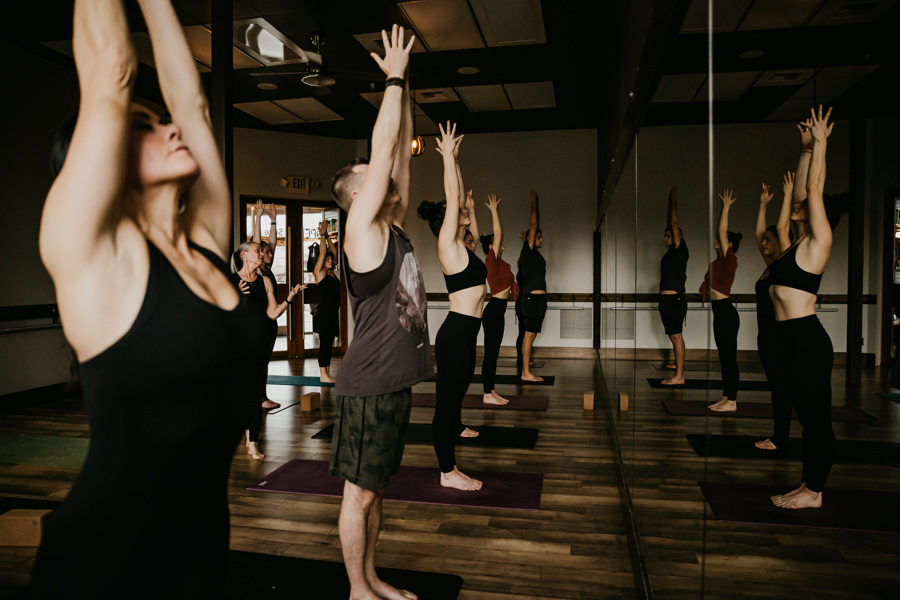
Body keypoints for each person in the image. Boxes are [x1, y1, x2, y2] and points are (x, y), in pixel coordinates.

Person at [30, 0, 269, 594]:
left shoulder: (206, 242)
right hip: (105, 566)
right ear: (102, 159)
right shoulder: (95, 256)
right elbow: (112, 67)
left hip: (201, 554)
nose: (169, 127)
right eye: (142, 126)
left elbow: (190, 106)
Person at [328, 25, 429, 600]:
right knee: (358, 495)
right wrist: (390, 77)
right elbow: (385, 148)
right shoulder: (361, 229)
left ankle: (371, 578)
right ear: (354, 195)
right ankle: (355, 589)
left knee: (377, 492)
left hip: (392, 384)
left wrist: (406, 88)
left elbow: (401, 155)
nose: (382, 173)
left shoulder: (393, 224)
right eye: (369, 175)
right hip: (367, 386)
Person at [769, 106, 837, 510]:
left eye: (806, 204)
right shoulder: (796, 242)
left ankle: (814, 490)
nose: (799, 202)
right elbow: (801, 192)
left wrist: (823, 144)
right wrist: (805, 147)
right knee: (803, 416)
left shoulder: (818, 242)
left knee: (816, 418)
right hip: (787, 338)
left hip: (807, 339)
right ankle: (807, 483)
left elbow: (811, 192)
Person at [418, 122, 487, 491]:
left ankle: (451, 459)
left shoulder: (464, 247)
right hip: (457, 333)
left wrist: (457, 162)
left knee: (455, 398)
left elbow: (459, 198)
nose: (462, 209)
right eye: (457, 210)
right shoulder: (448, 245)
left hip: (465, 333)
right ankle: (448, 472)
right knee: (445, 405)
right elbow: (452, 195)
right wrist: (447, 160)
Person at [231, 241, 304, 459]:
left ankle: (253, 442)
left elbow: (272, 313)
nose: (261, 254)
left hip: (258, 343)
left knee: (254, 393)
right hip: (237, 345)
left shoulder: (264, 281)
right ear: (245, 255)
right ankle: (244, 434)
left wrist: (289, 298)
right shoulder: (230, 282)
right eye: (257, 251)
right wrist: (234, 294)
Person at [754, 170, 799, 453]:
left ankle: (780, 436)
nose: (764, 242)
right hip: (766, 335)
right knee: (776, 387)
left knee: (782, 387)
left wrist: (786, 197)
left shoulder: (786, 263)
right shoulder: (769, 266)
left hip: (781, 336)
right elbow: (761, 231)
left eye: (769, 240)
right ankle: (779, 432)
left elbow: (782, 232)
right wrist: (762, 204)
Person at [702, 189, 743, 411]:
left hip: (726, 313)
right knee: (723, 358)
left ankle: (733, 401)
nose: (717, 239)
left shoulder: (730, 261)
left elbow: (721, 229)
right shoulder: (716, 262)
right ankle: (727, 397)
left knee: (729, 358)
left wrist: (725, 207)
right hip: (719, 312)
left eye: (721, 239)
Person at [480, 193, 517, 405]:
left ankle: (491, 390)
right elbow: (498, 232)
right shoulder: (491, 262)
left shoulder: (503, 264)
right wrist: (494, 211)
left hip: (499, 312)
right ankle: (487, 394)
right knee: (489, 353)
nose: (502, 242)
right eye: (497, 242)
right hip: (493, 311)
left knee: (494, 354)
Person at [253, 200, 282, 409]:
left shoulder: (267, 268)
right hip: (261, 321)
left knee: (264, 362)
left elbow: (270, 244)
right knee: (260, 362)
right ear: (258, 254)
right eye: (266, 252)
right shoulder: (258, 270)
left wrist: (273, 220)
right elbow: (258, 243)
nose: (271, 253)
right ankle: (260, 399)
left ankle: (262, 397)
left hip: (269, 320)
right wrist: (258, 217)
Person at [515, 189, 547, 382]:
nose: (541, 240)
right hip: (531, 299)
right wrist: (534, 204)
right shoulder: (528, 251)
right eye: (539, 237)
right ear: (531, 239)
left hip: (538, 299)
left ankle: (526, 370)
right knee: (528, 335)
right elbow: (533, 224)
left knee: (531, 335)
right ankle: (525, 372)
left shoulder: (533, 255)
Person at [659, 185, 689, 385]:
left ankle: (680, 376)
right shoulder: (671, 253)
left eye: (668, 236)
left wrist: (674, 201)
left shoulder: (680, 249)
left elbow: (674, 222)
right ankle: (677, 370)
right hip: (667, 300)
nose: (665, 238)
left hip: (674, 299)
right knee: (673, 336)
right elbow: (669, 223)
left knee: (676, 336)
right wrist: (668, 202)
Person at [313, 218, 341, 383]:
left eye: (331, 259)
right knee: (324, 344)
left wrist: (329, 237)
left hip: (332, 314)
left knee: (329, 344)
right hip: (323, 314)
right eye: (327, 259)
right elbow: (323, 252)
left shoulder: (331, 273)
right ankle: (323, 375)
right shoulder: (320, 273)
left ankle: (327, 373)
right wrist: (322, 235)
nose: (330, 260)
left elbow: (333, 252)